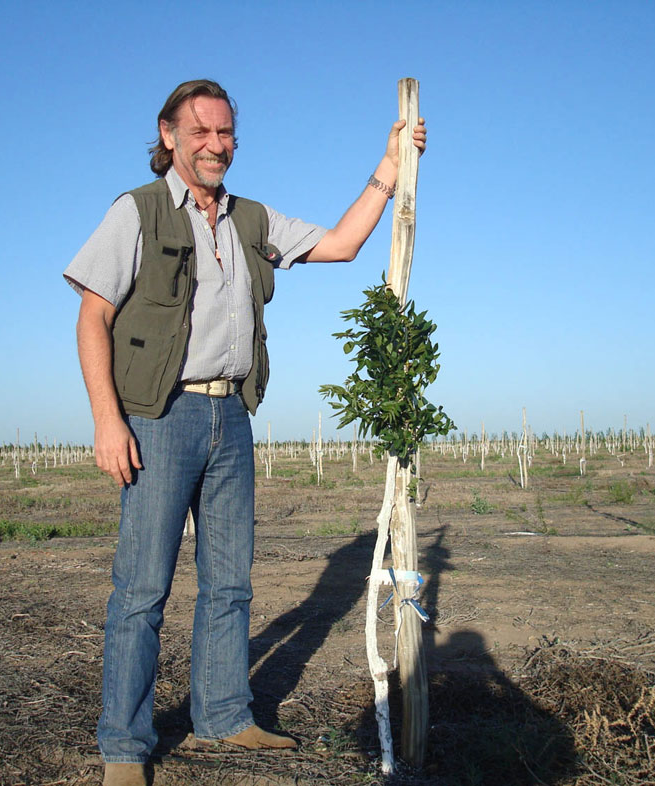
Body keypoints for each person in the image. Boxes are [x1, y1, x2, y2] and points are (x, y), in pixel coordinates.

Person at [63, 79, 425, 786]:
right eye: (200, 132)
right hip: (159, 417)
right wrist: (108, 420)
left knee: (229, 583)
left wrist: (388, 170)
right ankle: (124, 749)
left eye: (225, 133)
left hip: (232, 414)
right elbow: (91, 317)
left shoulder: (251, 219)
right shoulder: (134, 213)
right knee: (141, 591)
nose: (215, 145)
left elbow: (343, 245)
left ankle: (226, 716)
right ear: (168, 135)